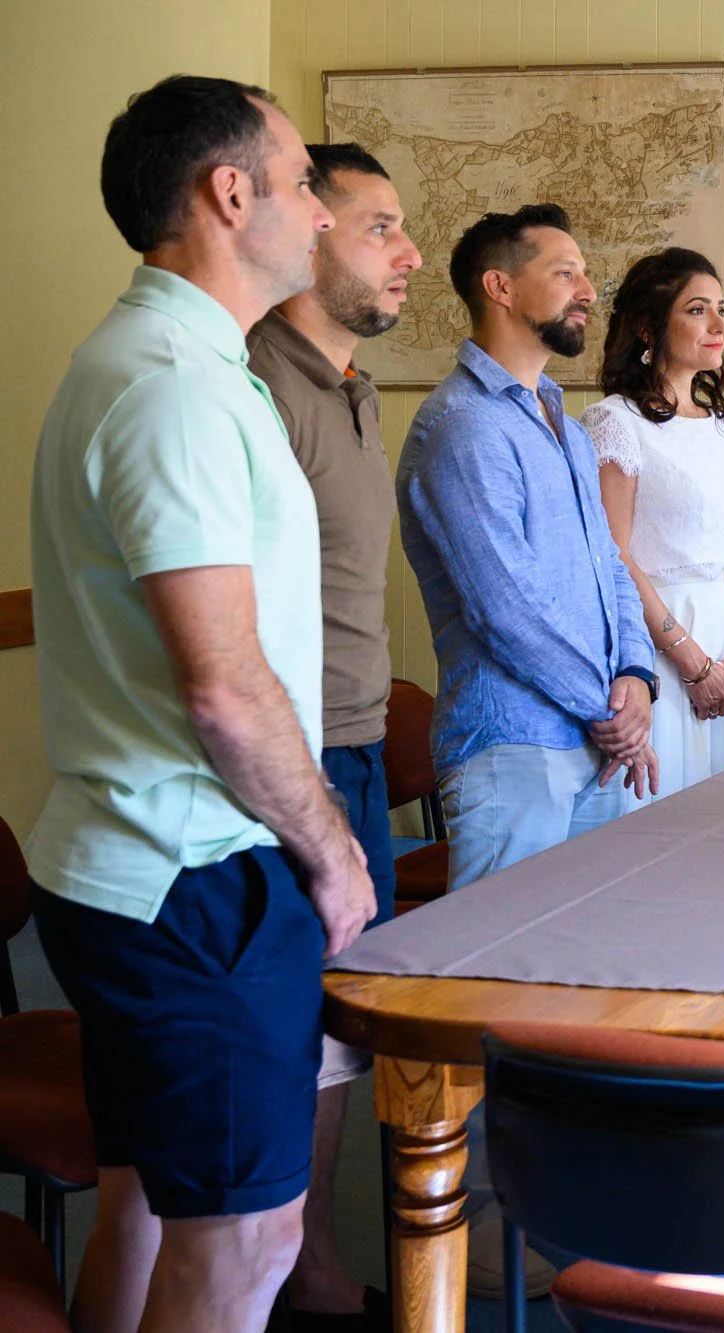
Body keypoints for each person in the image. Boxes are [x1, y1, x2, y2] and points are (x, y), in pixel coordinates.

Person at [25, 75, 369, 1333]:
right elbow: (223, 688)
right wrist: (332, 851)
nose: (322, 218)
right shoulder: (172, 383)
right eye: (300, 187)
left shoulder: (161, 359)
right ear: (231, 195)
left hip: (142, 864)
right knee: (245, 1239)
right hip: (193, 878)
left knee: (151, 1209)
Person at [243, 141, 421, 1333]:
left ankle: (307, 1264)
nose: (406, 253)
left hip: (356, 743)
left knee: (338, 1040)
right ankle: (278, 1279)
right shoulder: (254, 382)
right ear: (309, 235)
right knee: (293, 1038)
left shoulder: (352, 386)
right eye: (377, 227)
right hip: (297, 762)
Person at [397, 202, 658, 891]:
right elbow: (505, 606)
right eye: (565, 271)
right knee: (498, 982)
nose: (587, 292)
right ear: (501, 287)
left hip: (593, 742)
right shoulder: (463, 426)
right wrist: (612, 711)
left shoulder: (566, 429)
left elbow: (611, 568)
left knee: (586, 966)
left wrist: (637, 675)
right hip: (511, 747)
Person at [582, 248, 724, 794]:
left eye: (722, 310)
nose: (717, 326)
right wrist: (688, 659)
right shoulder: (616, 423)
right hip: (659, 642)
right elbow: (613, 555)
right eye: (697, 310)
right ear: (647, 327)